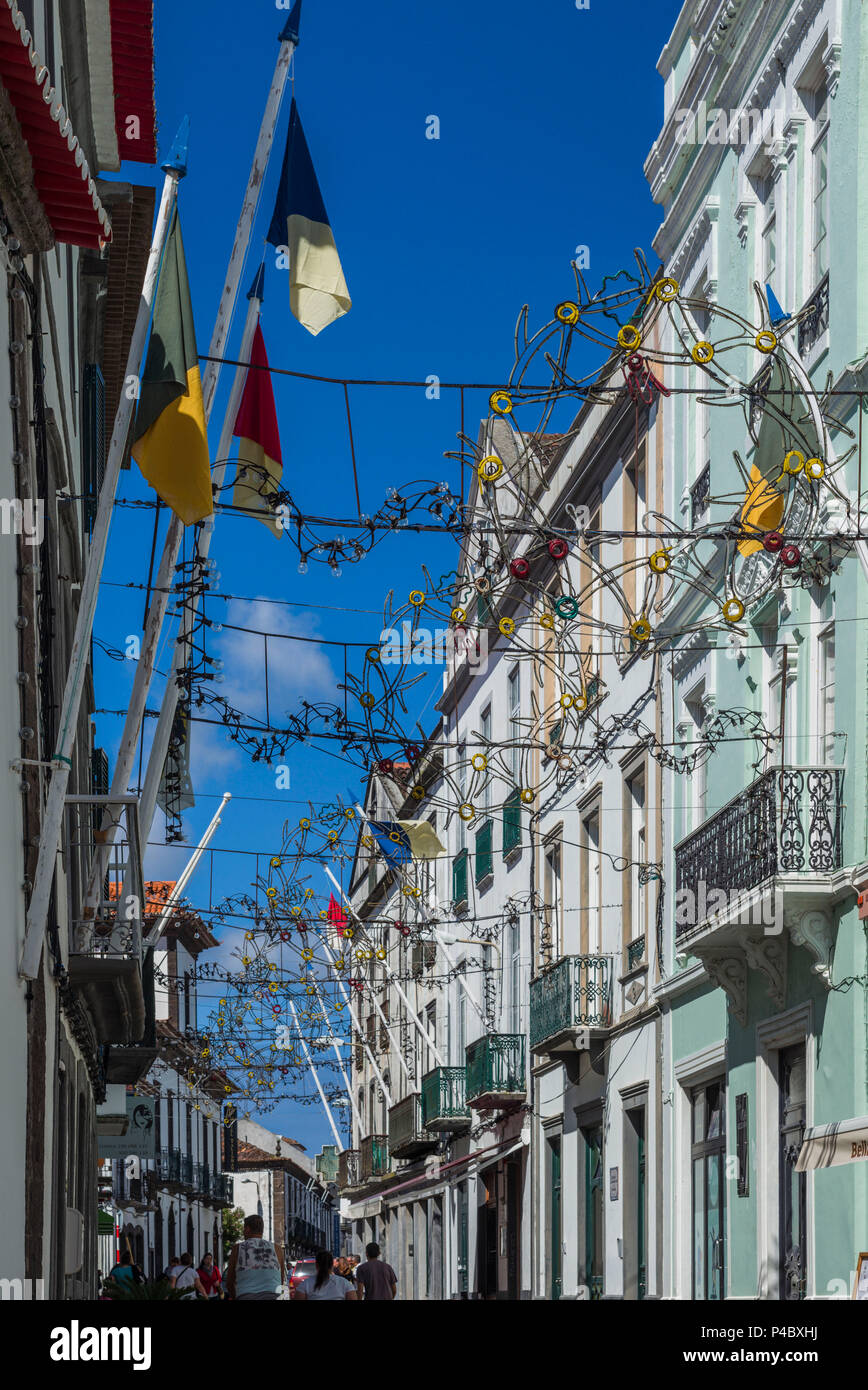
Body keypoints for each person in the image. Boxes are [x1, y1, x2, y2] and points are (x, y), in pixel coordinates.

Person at [224, 1215, 285, 1301]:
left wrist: (235, 1296)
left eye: (244, 1229)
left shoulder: (237, 1248)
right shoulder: (277, 1249)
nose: (243, 1232)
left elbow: (229, 1282)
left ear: (247, 1229)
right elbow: (281, 1280)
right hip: (273, 1295)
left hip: (245, 1296)